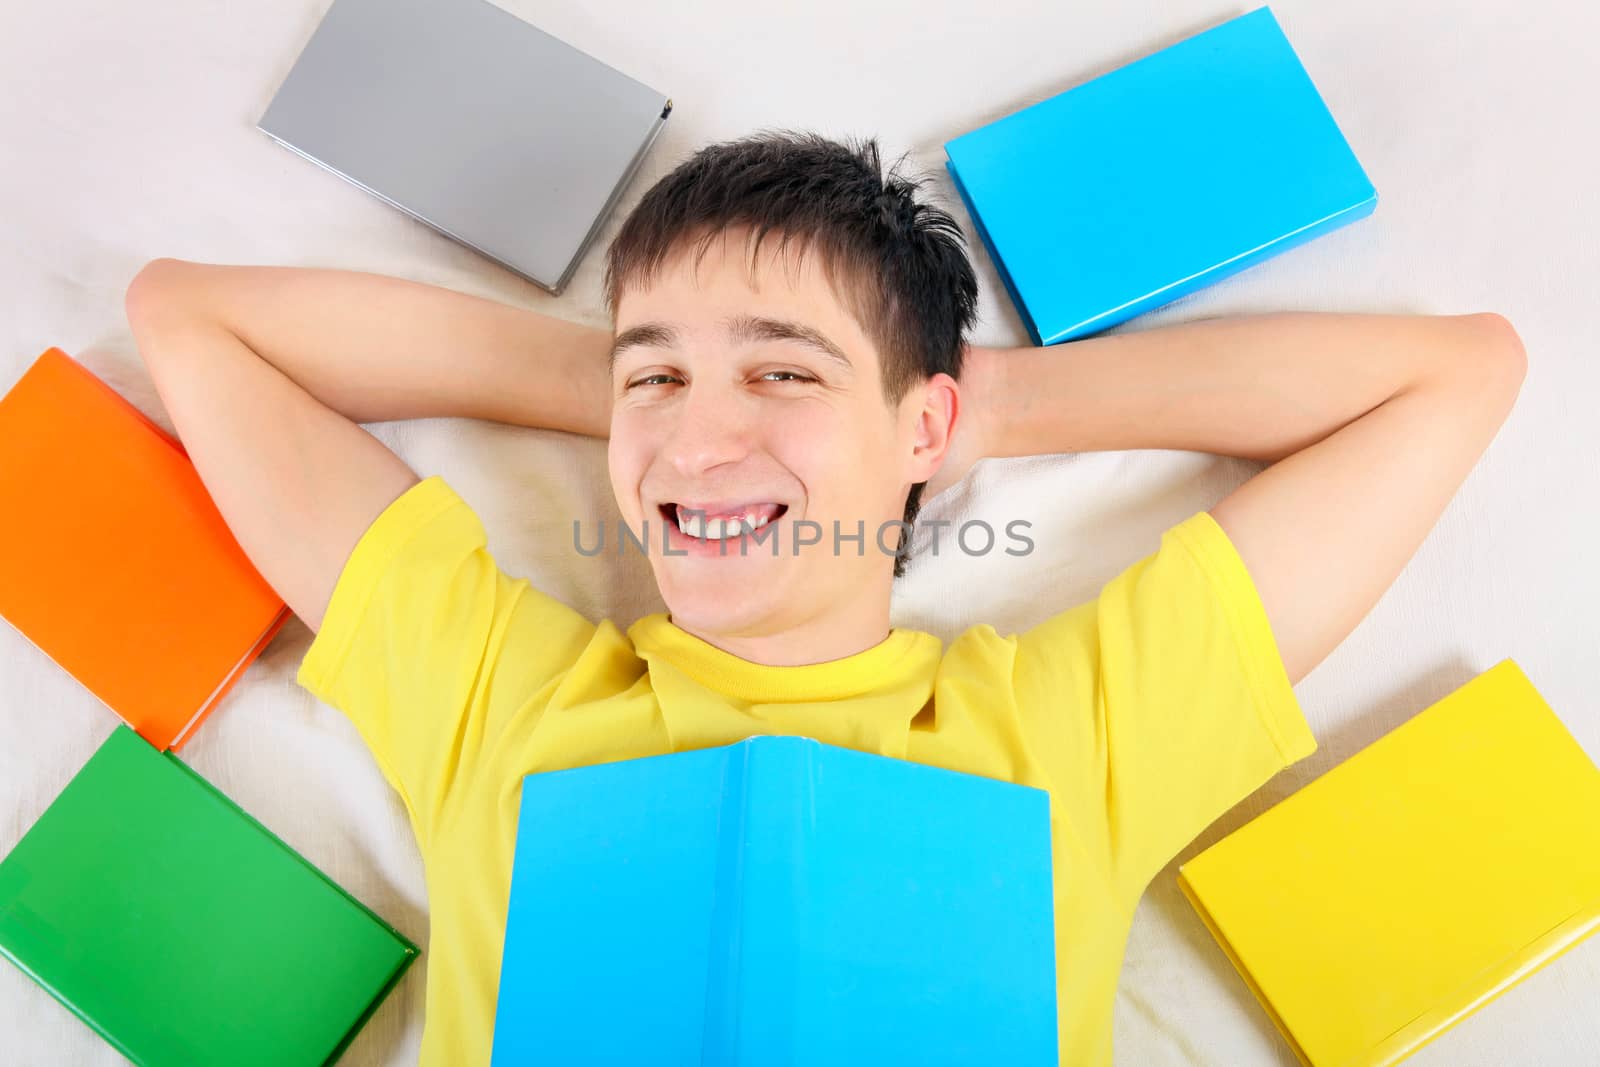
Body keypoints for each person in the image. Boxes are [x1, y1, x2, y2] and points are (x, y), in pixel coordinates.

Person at [123, 131, 1526, 1066]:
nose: (696, 442)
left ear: (920, 434)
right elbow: (192, 317)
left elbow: (1455, 375)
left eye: (786, 372)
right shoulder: (501, 695)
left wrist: (977, 408)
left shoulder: (1074, 732)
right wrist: (645, 381)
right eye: (653, 383)